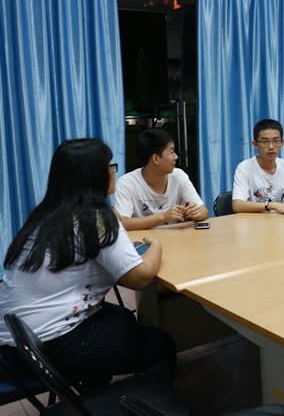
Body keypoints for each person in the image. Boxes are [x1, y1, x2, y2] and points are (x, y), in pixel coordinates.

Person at [0, 138, 176, 389]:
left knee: (122, 316)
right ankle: (145, 402)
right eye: (109, 166)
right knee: (162, 344)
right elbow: (141, 278)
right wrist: (155, 244)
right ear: (93, 175)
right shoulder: (96, 218)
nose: (113, 171)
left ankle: (93, 393)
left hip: (16, 343)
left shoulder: (46, 214)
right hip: (52, 344)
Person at [114, 128, 208, 230]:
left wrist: (195, 213)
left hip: (174, 238)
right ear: (156, 159)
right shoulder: (126, 183)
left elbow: (204, 211)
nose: (176, 156)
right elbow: (122, 223)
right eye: (172, 152)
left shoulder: (179, 176)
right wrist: (162, 217)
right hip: (144, 240)